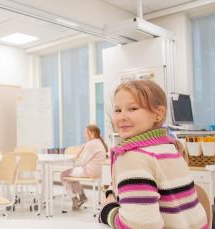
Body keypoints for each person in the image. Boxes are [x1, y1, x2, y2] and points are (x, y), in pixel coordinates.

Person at [98, 80, 207, 228]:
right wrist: (113, 192)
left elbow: (140, 226)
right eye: (118, 110)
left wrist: (107, 211)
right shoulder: (171, 147)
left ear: (158, 114)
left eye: (133, 108)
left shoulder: (132, 157)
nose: (122, 116)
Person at [61, 124, 108, 210]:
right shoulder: (98, 142)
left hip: (89, 171)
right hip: (98, 172)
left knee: (63, 175)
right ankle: (82, 196)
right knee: (71, 177)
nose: (84, 135)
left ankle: (74, 198)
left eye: (85, 133)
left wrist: (78, 153)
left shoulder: (91, 144)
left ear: (92, 133)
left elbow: (81, 163)